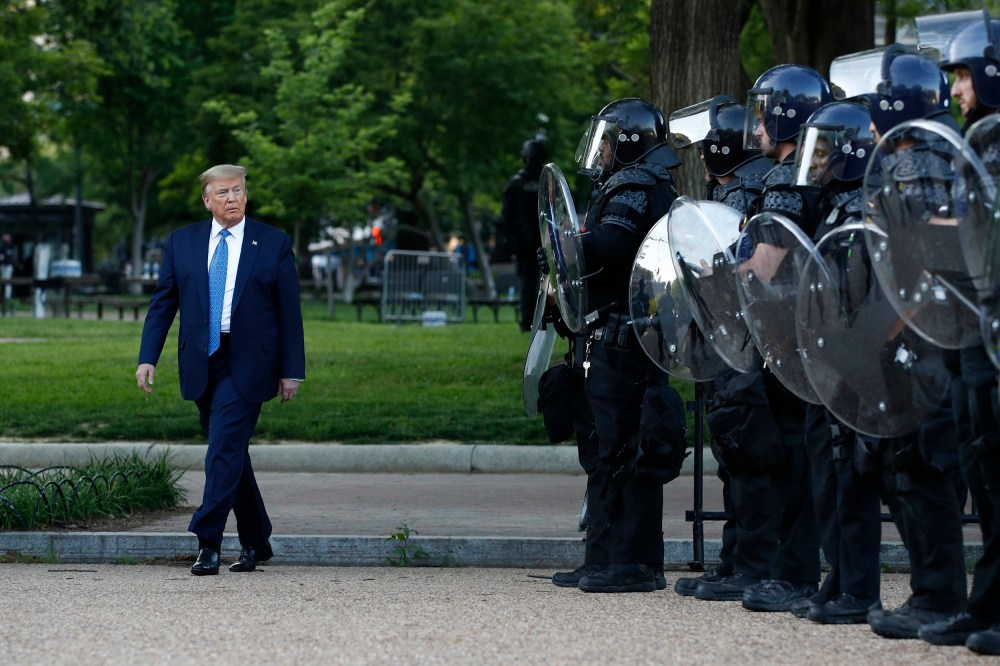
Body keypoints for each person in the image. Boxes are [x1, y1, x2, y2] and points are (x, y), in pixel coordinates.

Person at [135, 164, 305, 576]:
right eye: (224, 192)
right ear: (207, 199)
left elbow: (289, 312)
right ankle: (257, 540)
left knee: (222, 448)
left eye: (239, 191)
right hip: (201, 359)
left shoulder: (274, 242)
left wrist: (292, 370)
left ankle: (207, 540)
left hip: (250, 361)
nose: (233, 199)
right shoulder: (182, 243)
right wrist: (147, 357)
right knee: (230, 453)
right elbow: (163, 304)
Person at [551, 97, 685, 593]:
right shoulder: (638, 183)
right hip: (616, 336)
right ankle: (605, 557)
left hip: (626, 340)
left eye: (607, 140)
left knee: (625, 449)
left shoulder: (635, 185)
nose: (601, 150)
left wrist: (564, 242)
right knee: (607, 449)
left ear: (626, 142)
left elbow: (610, 245)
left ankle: (632, 564)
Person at [911, 11, 1000, 655]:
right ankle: (986, 604)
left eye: (965, 75)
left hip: (992, 326)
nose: (957, 90)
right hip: (971, 327)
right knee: (982, 464)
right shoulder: (980, 144)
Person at [666, 95, 778, 601]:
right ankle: (735, 560)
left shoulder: (749, 192)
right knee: (732, 454)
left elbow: (737, 266)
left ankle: (752, 565)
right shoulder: (730, 187)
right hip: (726, 339)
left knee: (749, 456)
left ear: (721, 148)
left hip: (746, 343)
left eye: (705, 146)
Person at [737, 63, 831, 613]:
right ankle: (792, 568)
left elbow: (765, 264)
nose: (755, 130)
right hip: (811, 333)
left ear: (787, 112)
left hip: (790, 337)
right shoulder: (819, 170)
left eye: (763, 114)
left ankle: (793, 573)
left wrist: (717, 274)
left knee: (795, 457)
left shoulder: (787, 178)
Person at [501, 139, 549, 331]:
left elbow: (506, 216)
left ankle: (527, 322)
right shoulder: (547, 181)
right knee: (548, 283)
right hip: (545, 240)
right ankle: (545, 320)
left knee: (528, 284)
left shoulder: (516, 182)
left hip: (523, 243)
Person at [0, 233, 16, 313]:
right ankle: (6, 298)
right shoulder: (11, 248)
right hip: (9, 267)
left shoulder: (3, 249)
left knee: (4, 283)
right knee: (7, 284)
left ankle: (5, 298)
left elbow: (1, 258)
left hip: (5, 267)